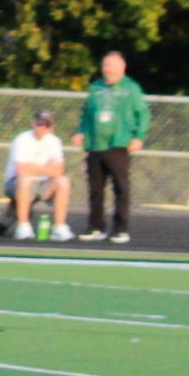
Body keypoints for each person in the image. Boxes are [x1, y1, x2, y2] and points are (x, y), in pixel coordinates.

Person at [72, 51, 150, 244]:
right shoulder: (95, 88)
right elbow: (86, 114)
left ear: (122, 67)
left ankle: (120, 229)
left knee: (121, 188)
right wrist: (81, 131)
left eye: (113, 66)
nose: (108, 70)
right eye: (106, 66)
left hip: (118, 144)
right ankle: (95, 227)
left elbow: (144, 114)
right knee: (95, 189)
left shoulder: (131, 89)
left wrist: (139, 137)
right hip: (95, 145)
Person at [3, 109, 74, 241]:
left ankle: (59, 226)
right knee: (25, 180)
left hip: (42, 184)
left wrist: (35, 167)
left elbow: (59, 171)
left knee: (63, 182)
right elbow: (21, 170)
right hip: (17, 184)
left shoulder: (54, 141)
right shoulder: (22, 139)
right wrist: (47, 168)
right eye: (39, 124)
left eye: (47, 125)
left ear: (52, 127)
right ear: (33, 123)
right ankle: (23, 226)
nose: (42, 128)